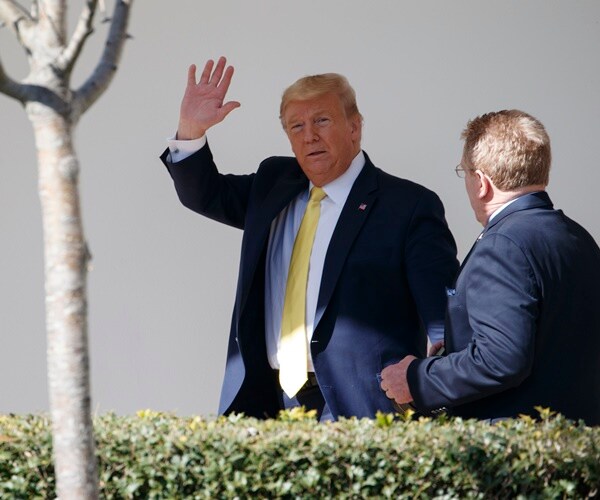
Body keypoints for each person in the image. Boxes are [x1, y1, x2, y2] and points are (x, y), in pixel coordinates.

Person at [161, 57, 458, 420]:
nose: (309, 135)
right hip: (267, 403)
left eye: (322, 120)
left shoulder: (408, 206)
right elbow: (204, 195)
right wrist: (190, 130)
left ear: (354, 127)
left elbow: (447, 321)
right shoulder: (274, 184)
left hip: (364, 407)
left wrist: (427, 379)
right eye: (296, 126)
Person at [380, 109, 600, 425]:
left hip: (515, 454)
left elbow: (500, 360)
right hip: (575, 447)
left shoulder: (503, 246)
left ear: (482, 182)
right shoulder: (578, 237)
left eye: (464, 172)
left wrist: (416, 378)